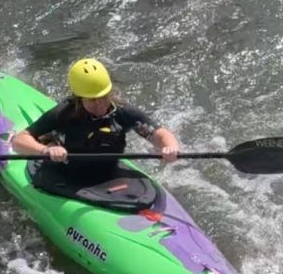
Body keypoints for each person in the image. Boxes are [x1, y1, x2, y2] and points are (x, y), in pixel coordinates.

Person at [11, 58, 180, 187]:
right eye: (92, 100)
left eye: (103, 97)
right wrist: (45, 150)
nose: (99, 105)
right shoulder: (64, 114)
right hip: (65, 174)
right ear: (79, 98)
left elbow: (159, 134)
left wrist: (170, 147)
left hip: (107, 172)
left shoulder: (122, 112)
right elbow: (19, 141)